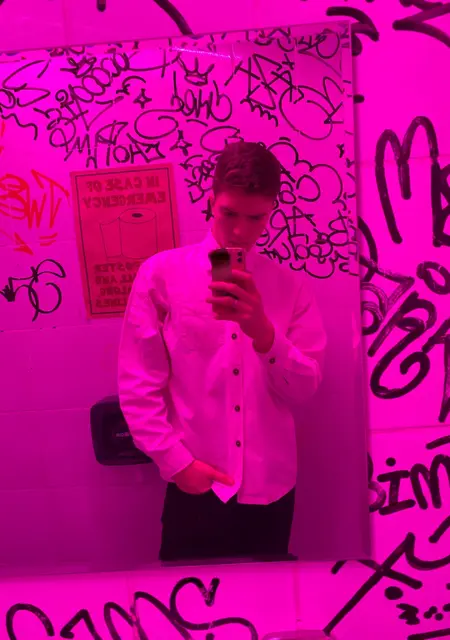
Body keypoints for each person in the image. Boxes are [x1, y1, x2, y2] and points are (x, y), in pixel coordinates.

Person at [118, 141, 327, 562]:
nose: (240, 232)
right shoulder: (162, 275)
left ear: (271, 212)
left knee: (272, 602)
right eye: (229, 213)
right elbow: (139, 383)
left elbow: (305, 389)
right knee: (184, 604)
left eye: (256, 218)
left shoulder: (290, 287)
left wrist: (263, 332)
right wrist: (176, 463)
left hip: (271, 489)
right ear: (211, 200)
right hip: (194, 484)